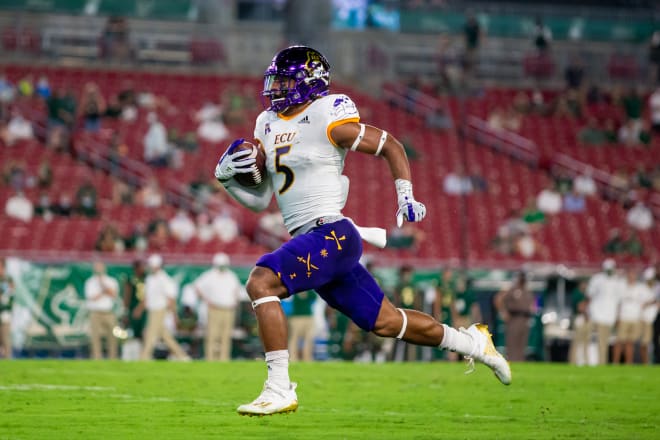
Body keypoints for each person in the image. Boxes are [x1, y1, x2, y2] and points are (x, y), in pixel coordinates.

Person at [213, 45, 510, 416]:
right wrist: (226, 179)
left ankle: (279, 387)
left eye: (286, 81)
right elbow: (259, 201)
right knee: (385, 322)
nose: (276, 89)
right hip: (311, 240)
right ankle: (472, 342)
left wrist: (405, 195)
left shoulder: (327, 112)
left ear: (309, 82)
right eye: (275, 81)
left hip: (332, 235)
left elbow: (390, 146)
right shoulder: (266, 123)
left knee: (261, 281)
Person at [193, 253, 243, 361]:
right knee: (212, 335)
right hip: (215, 309)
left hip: (228, 309)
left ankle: (223, 359)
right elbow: (197, 287)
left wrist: (235, 300)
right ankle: (210, 359)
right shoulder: (210, 275)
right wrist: (207, 300)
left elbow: (236, 290)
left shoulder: (231, 275)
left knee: (225, 337)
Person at [140, 254, 190, 361]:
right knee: (165, 335)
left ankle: (144, 356)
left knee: (151, 333)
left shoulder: (164, 279)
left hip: (160, 309)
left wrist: (174, 314)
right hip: (152, 309)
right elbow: (147, 297)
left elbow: (171, 299)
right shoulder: (150, 279)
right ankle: (182, 356)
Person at [586, 259, 622, 365]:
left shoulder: (617, 281)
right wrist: (588, 312)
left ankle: (601, 362)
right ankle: (589, 361)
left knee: (604, 342)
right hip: (595, 314)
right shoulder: (597, 279)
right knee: (590, 340)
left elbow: (619, 301)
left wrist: (617, 316)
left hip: (609, 316)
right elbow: (590, 295)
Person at [494, 272, 536, 362]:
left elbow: (533, 305)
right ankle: (512, 361)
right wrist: (503, 313)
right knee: (512, 342)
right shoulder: (512, 290)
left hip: (524, 318)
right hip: (513, 318)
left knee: (522, 343)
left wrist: (531, 312)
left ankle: (520, 361)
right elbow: (498, 299)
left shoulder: (527, 291)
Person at [84, 261, 119, 359]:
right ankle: (96, 357)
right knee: (95, 337)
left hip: (108, 312)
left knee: (112, 336)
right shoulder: (90, 282)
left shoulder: (111, 281)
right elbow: (92, 298)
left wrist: (102, 285)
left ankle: (113, 357)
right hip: (95, 312)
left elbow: (113, 294)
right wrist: (104, 292)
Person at [613, 269, 643, 364]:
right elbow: (618, 303)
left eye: (633, 275)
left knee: (630, 342)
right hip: (624, 318)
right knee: (619, 341)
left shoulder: (640, 288)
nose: (631, 277)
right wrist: (617, 317)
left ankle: (628, 363)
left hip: (635, 318)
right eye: (629, 275)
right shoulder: (621, 287)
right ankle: (616, 362)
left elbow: (643, 303)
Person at [122, 259, 147, 361]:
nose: (143, 268)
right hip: (133, 309)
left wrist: (141, 308)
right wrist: (126, 311)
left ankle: (143, 354)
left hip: (145, 310)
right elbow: (127, 296)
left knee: (144, 333)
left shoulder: (147, 278)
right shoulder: (130, 279)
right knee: (133, 334)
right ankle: (134, 355)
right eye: (141, 266)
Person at [288, 290, 317, 362]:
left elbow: (314, 297)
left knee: (308, 338)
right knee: (294, 338)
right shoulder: (293, 287)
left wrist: (305, 293)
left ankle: (307, 358)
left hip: (308, 316)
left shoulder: (309, 289)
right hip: (296, 317)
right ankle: (293, 358)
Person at [568, 280, 590, 366]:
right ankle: (573, 361)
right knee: (577, 341)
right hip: (579, 318)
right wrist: (586, 315)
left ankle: (585, 360)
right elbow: (580, 307)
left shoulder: (584, 293)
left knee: (584, 341)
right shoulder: (577, 293)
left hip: (582, 319)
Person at [0, 258, 14, 358]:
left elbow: (8, 295)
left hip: (4, 313)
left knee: (5, 337)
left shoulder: (7, 280)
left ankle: (7, 357)